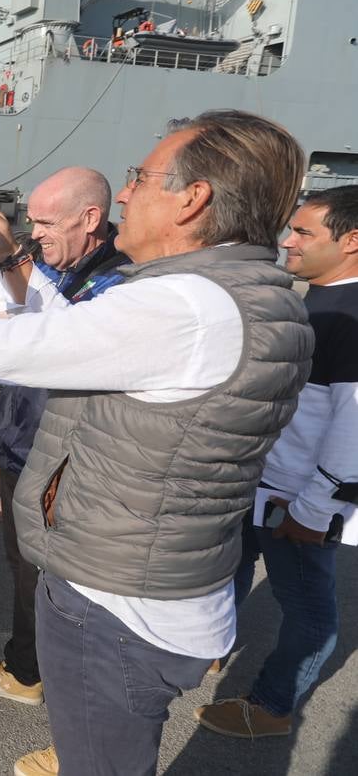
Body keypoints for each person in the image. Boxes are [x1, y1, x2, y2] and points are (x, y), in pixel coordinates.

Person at [0, 110, 313, 776]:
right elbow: (79, 332)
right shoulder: (241, 294)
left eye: (140, 178)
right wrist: (7, 256)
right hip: (161, 582)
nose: (125, 195)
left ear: (193, 198)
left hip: (116, 604)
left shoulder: (184, 306)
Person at [0, 168, 128, 716]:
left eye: (47, 222)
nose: (36, 233)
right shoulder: (55, 265)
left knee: (53, 578)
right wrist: (3, 252)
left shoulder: (122, 281)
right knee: (25, 565)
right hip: (22, 444)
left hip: (63, 457)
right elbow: (32, 318)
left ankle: (46, 682)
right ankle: (26, 667)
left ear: (90, 218)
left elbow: (46, 339)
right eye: (31, 221)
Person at [195, 185, 358, 739]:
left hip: (296, 497)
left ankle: (271, 706)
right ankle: (209, 646)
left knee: (308, 609)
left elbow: (354, 427)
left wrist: (315, 509)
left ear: (352, 241)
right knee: (227, 568)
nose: (288, 241)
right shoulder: (318, 300)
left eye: (304, 232)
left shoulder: (352, 314)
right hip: (259, 481)